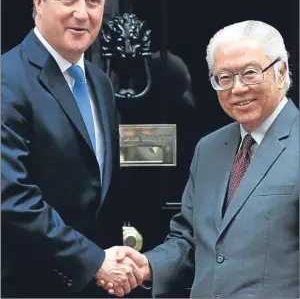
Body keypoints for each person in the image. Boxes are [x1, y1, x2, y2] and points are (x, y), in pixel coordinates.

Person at [101, 20, 299, 298]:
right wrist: (148, 266)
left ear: (281, 72)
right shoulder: (209, 148)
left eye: (250, 73)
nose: (237, 88)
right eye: (224, 78)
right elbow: (190, 238)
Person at [1, 0, 143, 298]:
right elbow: (9, 196)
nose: (83, 13)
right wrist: (92, 260)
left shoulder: (98, 82)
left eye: (93, 0)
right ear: (38, 2)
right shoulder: (8, 79)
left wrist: (108, 263)